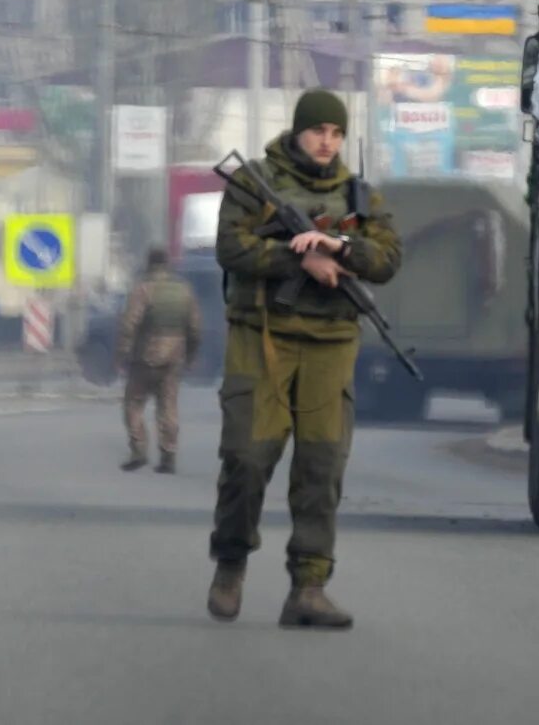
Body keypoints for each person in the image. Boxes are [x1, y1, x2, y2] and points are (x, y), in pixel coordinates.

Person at [207, 89, 401, 630]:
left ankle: (309, 587)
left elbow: (387, 258)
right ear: (298, 131)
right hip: (262, 335)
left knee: (322, 466)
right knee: (247, 457)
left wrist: (338, 248)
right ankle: (231, 561)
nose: (326, 141)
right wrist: (299, 261)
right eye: (318, 130)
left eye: (336, 133)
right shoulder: (253, 182)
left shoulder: (359, 195)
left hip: (331, 343)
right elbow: (231, 248)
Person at [117, 245, 202, 474]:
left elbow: (129, 324)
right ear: (167, 263)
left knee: (133, 404)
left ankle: (139, 450)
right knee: (168, 406)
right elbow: (195, 327)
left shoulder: (144, 289)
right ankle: (168, 454)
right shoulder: (184, 290)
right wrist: (191, 356)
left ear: (149, 264)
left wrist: (123, 354)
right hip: (175, 356)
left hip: (146, 355)